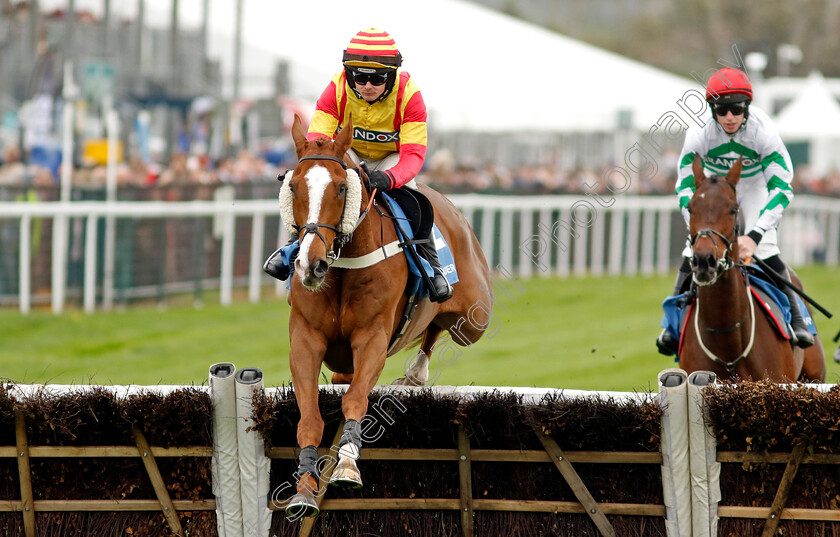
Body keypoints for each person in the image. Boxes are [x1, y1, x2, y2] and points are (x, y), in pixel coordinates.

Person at [263, 28, 452, 303]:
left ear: (393, 75)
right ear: (348, 73)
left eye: (376, 78)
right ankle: (292, 247)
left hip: (392, 157)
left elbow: (413, 156)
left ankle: (430, 265)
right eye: (359, 77)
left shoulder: (410, 95)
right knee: (316, 187)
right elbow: (318, 142)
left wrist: (388, 178)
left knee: (413, 198)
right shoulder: (336, 88)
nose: (367, 85)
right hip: (347, 151)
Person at [656, 66, 814, 355]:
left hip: (755, 186)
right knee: (693, 251)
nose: (730, 116)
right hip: (715, 190)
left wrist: (753, 236)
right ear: (713, 110)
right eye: (722, 109)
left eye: (737, 108)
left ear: (747, 108)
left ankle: (799, 319)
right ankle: (671, 325)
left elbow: (782, 188)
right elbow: (684, 187)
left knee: (765, 247)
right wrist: (697, 230)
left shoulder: (764, 133)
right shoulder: (698, 134)